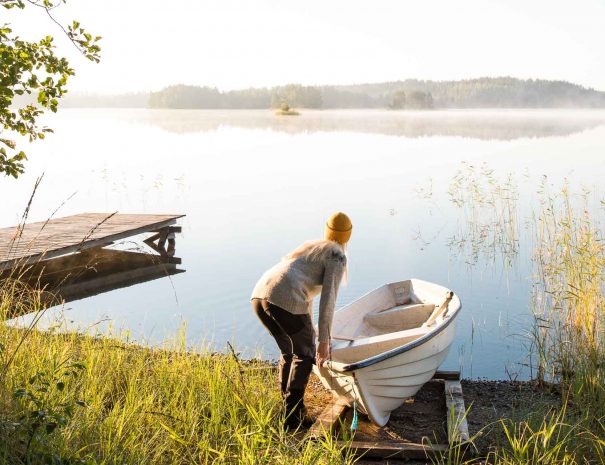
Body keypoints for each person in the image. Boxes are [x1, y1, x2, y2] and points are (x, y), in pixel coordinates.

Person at [250, 212, 352, 428]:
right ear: (348, 236)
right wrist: (324, 341)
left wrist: (310, 327)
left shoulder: (311, 248)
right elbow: (328, 300)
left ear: (327, 231)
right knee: (304, 355)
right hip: (284, 299)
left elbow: (306, 289)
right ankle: (293, 416)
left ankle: (288, 410)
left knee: (289, 352)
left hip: (259, 296)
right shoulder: (336, 256)